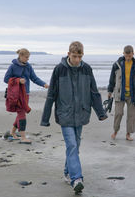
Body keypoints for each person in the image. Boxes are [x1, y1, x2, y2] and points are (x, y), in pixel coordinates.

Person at [41, 41, 108, 193]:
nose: (77, 59)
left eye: (79, 56)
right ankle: (76, 178)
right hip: (64, 114)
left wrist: (100, 113)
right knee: (71, 145)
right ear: (68, 54)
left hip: (82, 113)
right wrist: (45, 118)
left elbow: (94, 92)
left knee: (75, 145)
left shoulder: (86, 69)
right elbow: (51, 94)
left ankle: (67, 172)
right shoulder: (59, 70)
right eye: (74, 56)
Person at [4, 48, 48, 143]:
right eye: (26, 57)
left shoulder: (28, 66)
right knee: (21, 113)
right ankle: (23, 137)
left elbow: (34, 78)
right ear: (20, 56)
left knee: (21, 112)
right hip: (16, 94)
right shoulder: (12, 67)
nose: (28, 59)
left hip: (26, 94)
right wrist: (18, 80)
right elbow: (6, 79)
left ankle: (12, 132)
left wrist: (44, 84)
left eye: (29, 57)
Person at [108, 45, 135, 141]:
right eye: (126, 56)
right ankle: (115, 131)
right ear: (123, 54)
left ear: (133, 54)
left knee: (131, 115)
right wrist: (110, 91)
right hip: (119, 93)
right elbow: (112, 79)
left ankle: (128, 134)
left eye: (130, 56)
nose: (128, 58)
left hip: (133, 94)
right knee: (118, 113)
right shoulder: (116, 65)